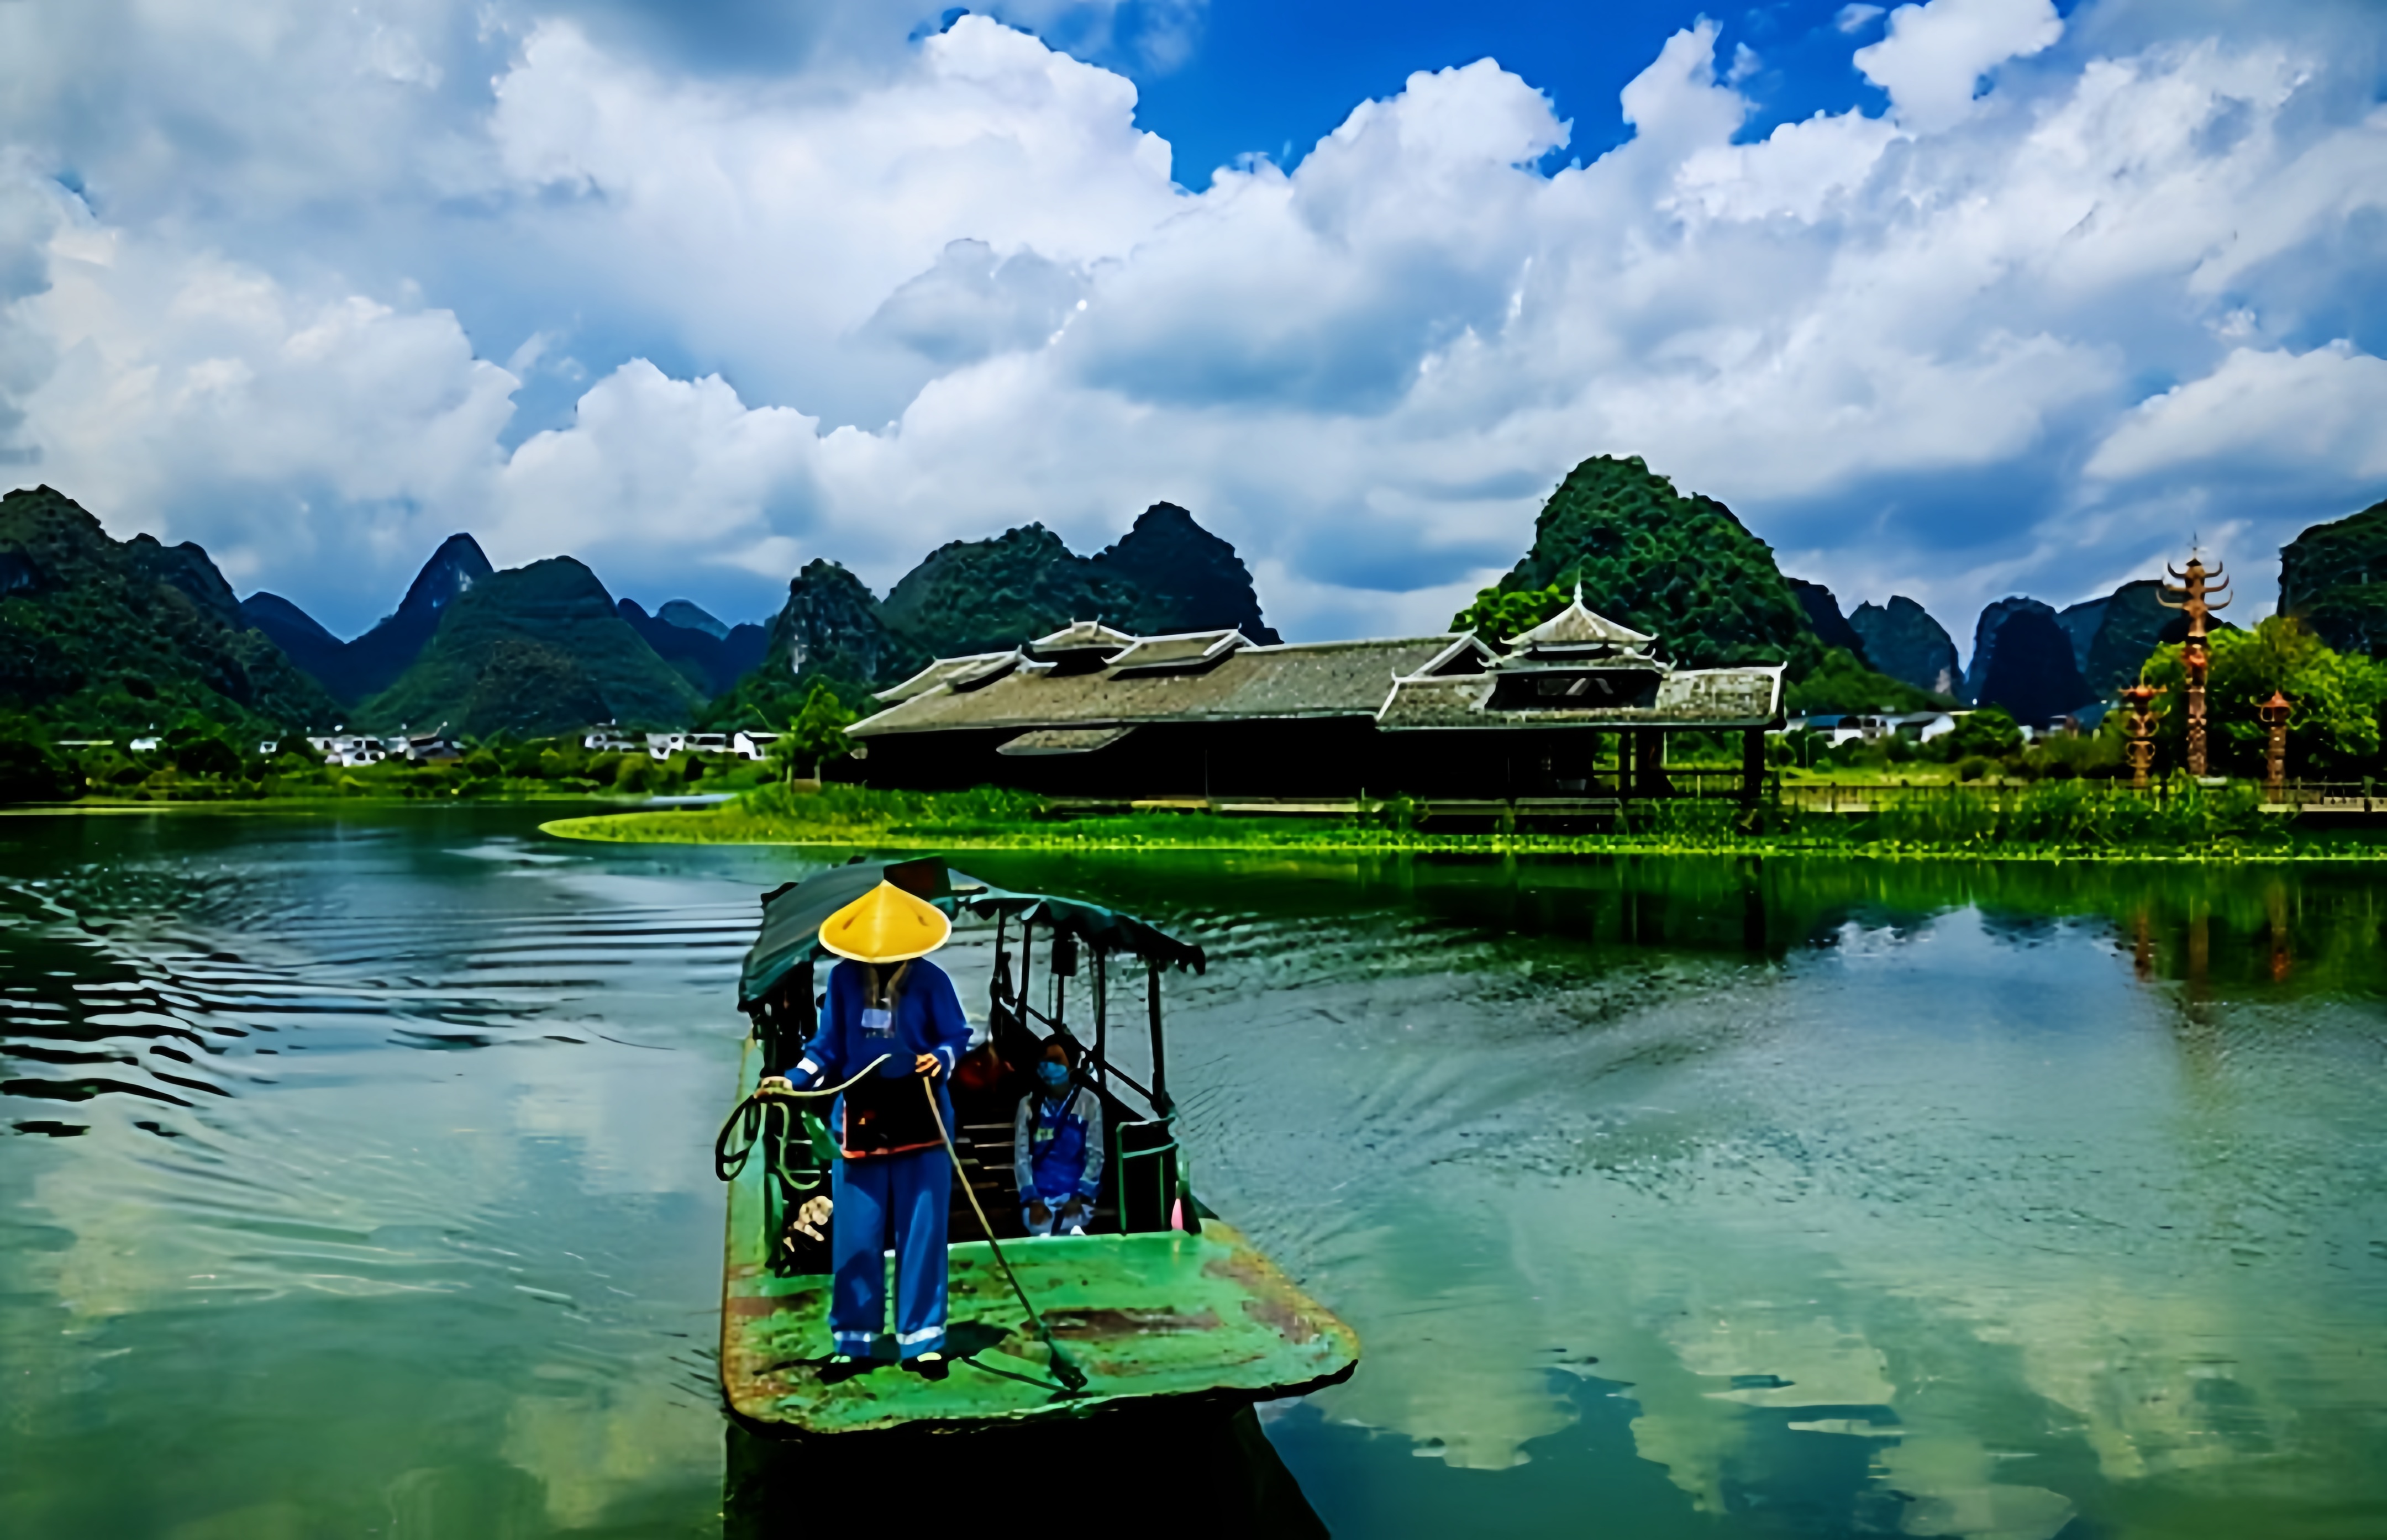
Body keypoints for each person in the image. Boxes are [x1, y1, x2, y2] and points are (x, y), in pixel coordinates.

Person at [765, 880, 971, 1378]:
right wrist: (791, 1080)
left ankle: (922, 1339)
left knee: (921, 1231)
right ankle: (852, 1340)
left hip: (921, 1113)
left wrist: (939, 1059)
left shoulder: (931, 981)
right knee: (858, 1233)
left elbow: (957, 1036)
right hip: (859, 1116)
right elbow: (826, 1051)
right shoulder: (842, 982)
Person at [1014, 1036, 1105, 1237]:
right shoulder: (1029, 1105)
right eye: (1044, 1062)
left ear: (1072, 1065)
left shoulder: (1089, 1103)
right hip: (1040, 1199)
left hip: (1077, 1199)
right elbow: (1022, 1158)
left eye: (1056, 1061)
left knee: (1074, 1229)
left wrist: (1080, 1197)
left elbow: (1095, 1155)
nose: (1048, 1067)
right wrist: (1033, 1200)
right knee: (1040, 1228)